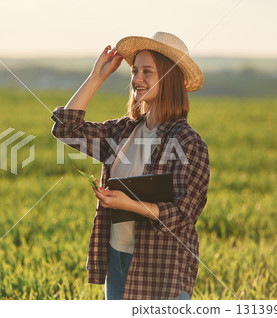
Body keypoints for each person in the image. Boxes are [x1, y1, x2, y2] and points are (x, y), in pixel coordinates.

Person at [50, 32, 210, 300]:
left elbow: (184, 214)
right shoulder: (123, 131)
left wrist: (130, 204)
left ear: (169, 78)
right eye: (135, 71)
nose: (136, 79)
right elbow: (67, 129)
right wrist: (97, 76)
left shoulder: (187, 141)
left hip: (161, 268)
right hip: (117, 260)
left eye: (147, 72)